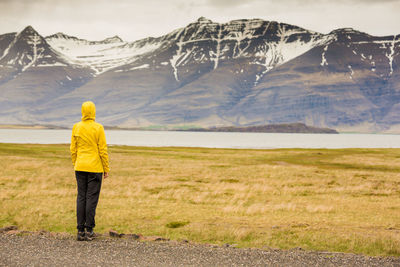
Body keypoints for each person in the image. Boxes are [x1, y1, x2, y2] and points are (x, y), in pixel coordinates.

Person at [70, 101, 110, 241]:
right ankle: (89, 230)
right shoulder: (98, 128)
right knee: (91, 198)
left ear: (82, 111)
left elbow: (73, 149)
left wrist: (76, 163)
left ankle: (80, 231)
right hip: (95, 168)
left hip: (80, 166)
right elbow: (102, 150)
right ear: (93, 111)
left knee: (81, 197)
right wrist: (106, 168)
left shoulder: (76, 127)